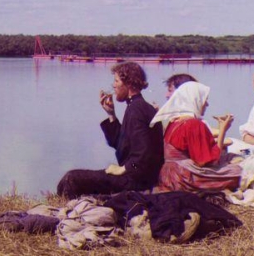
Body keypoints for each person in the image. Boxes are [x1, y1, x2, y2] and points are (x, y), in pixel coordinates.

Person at [57, 62, 164, 198]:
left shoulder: (136, 109)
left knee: (72, 178)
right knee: (73, 178)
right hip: (137, 178)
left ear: (129, 83)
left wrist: (123, 168)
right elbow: (121, 144)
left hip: (136, 181)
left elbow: (144, 152)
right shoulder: (138, 106)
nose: (113, 85)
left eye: (116, 81)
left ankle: (69, 207)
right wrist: (111, 114)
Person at [152, 81, 242, 193]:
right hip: (184, 178)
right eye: (204, 100)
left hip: (168, 175)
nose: (207, 104)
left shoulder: (173, 122)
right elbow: (209, 162)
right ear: (195, 100)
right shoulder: (193, 124)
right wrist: (223, 130)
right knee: (239, 172)